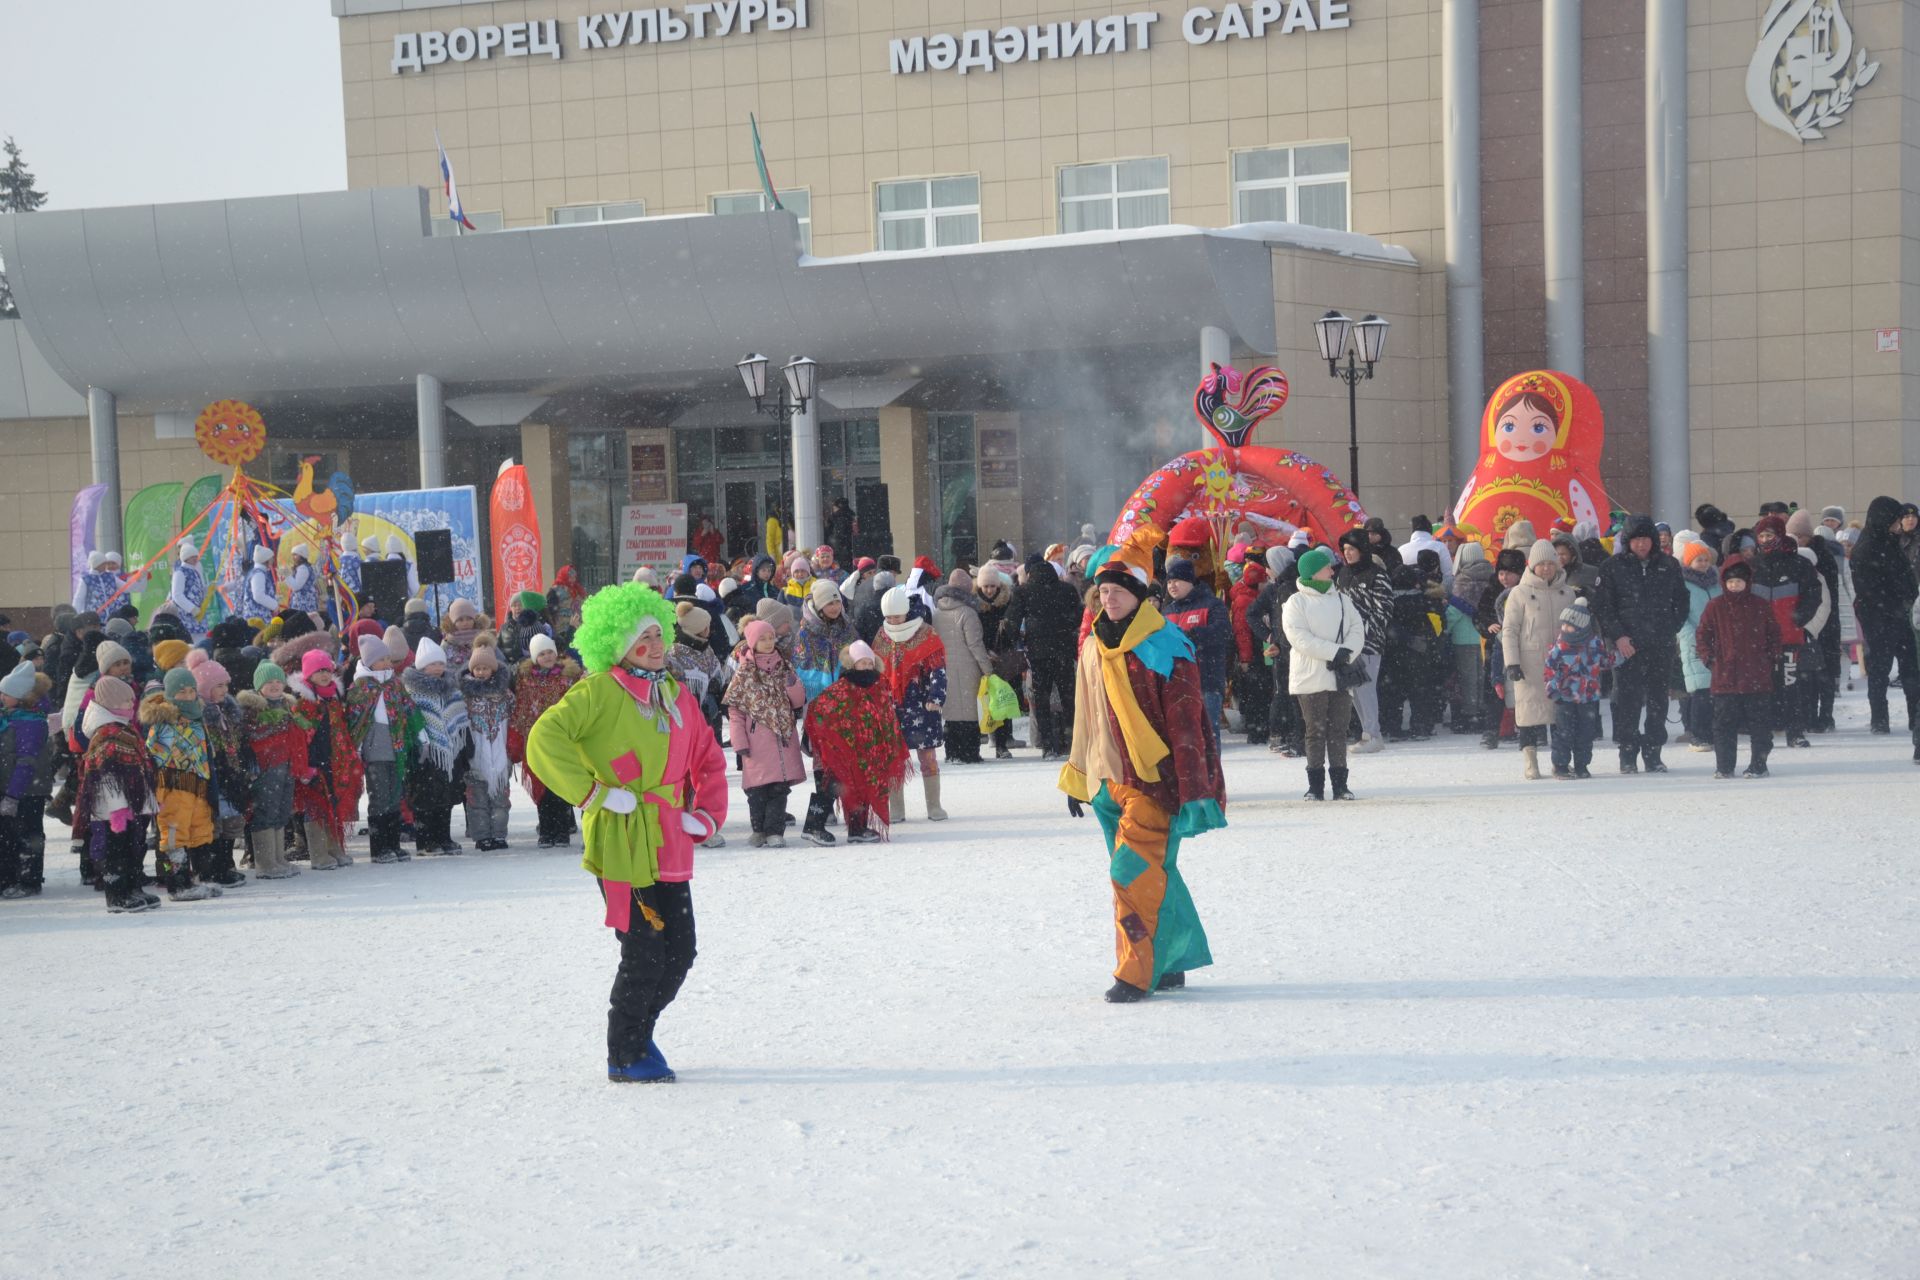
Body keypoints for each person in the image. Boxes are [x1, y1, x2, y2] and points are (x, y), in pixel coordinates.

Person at [524, 581, 728, 1085]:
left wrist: (705, 815)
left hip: (670, 837)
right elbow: (543, 738)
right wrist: (591, 794)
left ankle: (641, 1031)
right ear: (619, 646)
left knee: (680, 950)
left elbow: (709, 758)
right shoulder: (598, 690)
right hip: (621, 838)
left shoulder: (675, 694)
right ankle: (625, 1051)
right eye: (643, 639)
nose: (656, 645)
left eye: (659, 634)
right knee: (643, 948)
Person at [1059, 535, 1226, 1003]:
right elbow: (1085, 712)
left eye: (1116, 591)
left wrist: (1194, 788)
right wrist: (1078, 775)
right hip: (1106, 779)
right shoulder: (1093, 645)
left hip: (1154, 782)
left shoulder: (1166, 646)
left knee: (1130, 874)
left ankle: (1135, 972)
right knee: (1158, 874)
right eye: (1101, 592)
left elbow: (1188, 726)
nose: (1106, 599)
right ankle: (1171, 959)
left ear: (1139, 595)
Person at [1592, 514, 1689, 773]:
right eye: (1636, 540)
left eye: (1646, 539)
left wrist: (1670, 630)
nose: (1642, 545)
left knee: (1658, 700)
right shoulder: (1612, 567)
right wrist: (1619, 636)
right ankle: (1627, 753)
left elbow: (1681, 601)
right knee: (1627, 700)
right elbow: (1603, 607)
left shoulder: (1669, 565)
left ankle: (1653, 752)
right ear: (1627, 541)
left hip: (1660, 644)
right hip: (1626, 646)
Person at [801, 641, 906, 845]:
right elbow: (819, 708)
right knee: (834, 785)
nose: (866, 667)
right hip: (842, 750)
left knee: (864, 786)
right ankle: (813, 826)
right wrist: (831, 739)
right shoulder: (842, 687)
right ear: (852, 664)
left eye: (869, 662)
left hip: (868, 749)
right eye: (862, 662)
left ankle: (857, 828)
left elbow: (886, 715)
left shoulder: (878, 686)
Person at [1281, 546, 1365, 800]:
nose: (1332, 570)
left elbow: (1357, 628)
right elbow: (1299, 638)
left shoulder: (1341, 598)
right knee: (1315, 731)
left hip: (1340, 674)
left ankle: (1341, 785)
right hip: (1310, 677)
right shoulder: (1296, 602)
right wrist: (1334, 652)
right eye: (1326, 566)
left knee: (1339, 730)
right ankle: (1315, 786)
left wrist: (1346, 653)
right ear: (1314, 572)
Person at [139, 668, 227, 900]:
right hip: (173, 787)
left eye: (191, 691)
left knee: (201, 831)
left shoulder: (198, 717)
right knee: (173, 835)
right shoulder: (163, 721)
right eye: (181, 692)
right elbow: (152, 754)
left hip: (199, 785)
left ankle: (201, 877)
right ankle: (176, 883)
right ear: (170, 694)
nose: (188, 696)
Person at [76, 676, 159, 912]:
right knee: (117, 849)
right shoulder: (106, 733)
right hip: (116, 807)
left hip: (132, 802)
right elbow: (106, 774)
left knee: (135, 846)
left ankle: (133, 887)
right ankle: (117, 894)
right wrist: (118, 808)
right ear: (111, 702)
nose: (131, 704)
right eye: (126, 700)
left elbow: (139, 764)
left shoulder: (123, 728)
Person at [1694, 557, 1781, 778]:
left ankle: (1759, 764)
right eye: (1731, 582)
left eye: (1739, 582)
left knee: (1759, 725)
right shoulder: (1715, 606)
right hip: (1724, 677)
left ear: (1747, 582)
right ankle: (1724, 766)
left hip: (1757, 677)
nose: (1735, 586)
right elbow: (1703, 635)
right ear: (1724, 582)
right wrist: (1709, 659)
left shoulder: (1760, 606)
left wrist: (1770, 658)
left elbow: (1774, 635)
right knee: (1723, 725)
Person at [725, 619, 808, 847]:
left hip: (782, 738)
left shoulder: (784, 666)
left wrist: (792, 684)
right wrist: (739, 740)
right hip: (756, 741)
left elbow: (798, 701)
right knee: (757, 790)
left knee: (779, 789)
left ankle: (775, 832)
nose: (768, 642)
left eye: (771, 637)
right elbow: (735, 709)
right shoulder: (745, 673)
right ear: (752, 642)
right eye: (762, 638)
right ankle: (758, 829)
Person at [1502, 539, 1577, 780]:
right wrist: (1511, 662)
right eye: (1541, 564)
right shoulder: (1519, 593)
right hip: (1530, 663)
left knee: (1560, 716)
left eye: (1550, 563)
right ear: (1532, 566)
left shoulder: (1568, 593)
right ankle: (1530, 759)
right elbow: (1510, 629)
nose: (1546, 568)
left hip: (1561, 664)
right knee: (1527, 714)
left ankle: (1560, 760)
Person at [873, 583, 948, 822]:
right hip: (892, 707)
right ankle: (897, 808)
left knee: (927, 757)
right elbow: (876, 670)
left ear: (906, 611)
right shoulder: (882, 635)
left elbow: (938, 668)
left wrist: (936, 696)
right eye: (889, 617)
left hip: (922, 705)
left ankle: (934, 806)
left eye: (897, 616)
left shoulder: (926, 633)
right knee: (894, 759)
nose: (893, 621)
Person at [1748, 514, 1820, 750]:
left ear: (1780, 536)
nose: (1765, 540)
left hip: (1789, 637)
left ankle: (1795, 732)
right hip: (1758, 640)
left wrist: (1799, 618)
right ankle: (1764, 732)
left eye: (1770, 535)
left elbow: (1813, 594)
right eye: (1761, 536)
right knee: (1763, 688)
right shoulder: (1751, 566)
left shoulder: (1799, 564)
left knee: (1790, 686)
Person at [346, 631, 420, 864]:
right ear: (369, 662)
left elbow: (409, 709)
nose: (388, 663)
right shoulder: (360, 687)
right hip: (375, 749)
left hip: (395, 746)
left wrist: (419, 733)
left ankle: (393, 843)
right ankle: (379, 847)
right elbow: (355, 720)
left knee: (395, 795)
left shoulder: (394, 684)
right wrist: (357, 747)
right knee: (379, 796)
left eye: (388, 658)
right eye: (382, 659)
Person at [1850, 496, 1919, 738]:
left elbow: (1907, 579)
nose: (1899, 524)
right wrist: (1895, 600)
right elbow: (1868, 588)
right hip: (1879, 618)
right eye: (1896, 519)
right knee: (1880, 670)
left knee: (1910, 668)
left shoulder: (1891, 543)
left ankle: (1915, 718)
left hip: (1900, 616)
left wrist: (1906, 597)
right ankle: (1879, 719)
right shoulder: (1867, 547)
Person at [509, 632, 584, 849]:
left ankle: (562, 831)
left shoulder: (568, 677)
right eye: (542, 654)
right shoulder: (526, 680)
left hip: (562, 739)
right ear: (534, 657)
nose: (547, 656)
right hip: (536, 741)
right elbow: (522, 708)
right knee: (542, 789)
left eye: (550, 652)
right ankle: (546, 830)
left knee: (559, 787)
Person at [1005, 552, 1082, 760]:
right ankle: (1072, 738)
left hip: (1038, 652)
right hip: (1064, 650)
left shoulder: (1023, 592)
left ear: (1029, 573)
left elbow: (1012, 621)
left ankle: (1047, 744)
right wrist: (1064, 628)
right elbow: (1079, 616)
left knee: (1041, 699)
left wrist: (1015, 641)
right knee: (1069, 697)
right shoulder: (1067, 590)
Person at [236, 662, 308, 879]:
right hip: (265, 768)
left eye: (278, 681)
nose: (275, 686)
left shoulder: (286, 707)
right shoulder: (252, 710)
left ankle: (278, 858)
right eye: (269, 682)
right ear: (259, 686)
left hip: (285, 766)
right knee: (265, 811)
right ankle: (265, 863)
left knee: (282, 810)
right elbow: (250, 738)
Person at [402, 637, 469, 856]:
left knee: (446, 797)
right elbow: (410, 721)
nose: (437, 668)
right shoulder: (413, 691)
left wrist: (465, 746)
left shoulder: (451, 688)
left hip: (449, 753)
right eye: (432, 664)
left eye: (440, 663)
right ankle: (426, 842)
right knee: (424, 798)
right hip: (423, 754)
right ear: (421, 666)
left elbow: (459, 717)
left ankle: (444, 837)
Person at [1541, 596, 1615, 779]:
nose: (1564, 629)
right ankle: (1560, 765)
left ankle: (1582, 765)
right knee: (1563, 733)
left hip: (1588, 698)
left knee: (1586, 733)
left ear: (1582, 627)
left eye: (1569, 626)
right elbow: (1549, 670)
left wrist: (1620, 656)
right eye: (1563, 625)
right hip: (1564, 697)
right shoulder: (1558, 648)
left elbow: (1604, 661)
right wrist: (1552, 689)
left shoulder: (1594, 645)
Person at [1160, 557, 1232, 746]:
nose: (1172, 586)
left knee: (1208, 732)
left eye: (1176, 580)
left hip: (1206, 680)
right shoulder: (1167, 611)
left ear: (1189, 581)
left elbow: (1223, 632)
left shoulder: (1212, 605)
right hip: (1177, 683)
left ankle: (1212, 773)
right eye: (1168, 582)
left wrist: (1191, 636)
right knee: (1182, 735)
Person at [0, 661, 55, 898]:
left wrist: (13, 795)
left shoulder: (29, 722)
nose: (1, 697)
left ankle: (29, 879)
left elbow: (25, 763)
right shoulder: (12, 716)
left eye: (6, 694)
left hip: (27, 790)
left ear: (21, 697)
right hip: (14, 787)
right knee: (12, 834)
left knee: (28, 834)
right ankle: (12, 877)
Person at [930, 569, 995, 766]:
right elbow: (975, 645)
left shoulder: (936, 613)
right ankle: (969, 752)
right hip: (968, 669)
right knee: (969, 713)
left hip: (944, 668)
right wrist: (988, 669)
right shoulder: (968, 613)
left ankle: (952, 752)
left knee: (951, 714)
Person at [1336, 530, 1393, 752]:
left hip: (1369, 642)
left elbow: (1383, 610)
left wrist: (1363, 634)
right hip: (1346, 642)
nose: (1347, 554)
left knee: (1366, 688)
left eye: (1351, 549)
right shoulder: (1343, 573)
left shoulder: (1377, 575)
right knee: (1354, 689)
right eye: (1345, 550)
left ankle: (1373, 734)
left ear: (1362, 550)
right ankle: (1366, 732)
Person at [460, 637, 515, 851]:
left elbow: (515, 719)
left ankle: (499, 834)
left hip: (501, 752)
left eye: (485, 668)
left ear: (493, 669)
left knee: (501, 798)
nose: (481, 672)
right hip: (476, 756)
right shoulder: (466, 696)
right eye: (478, 668)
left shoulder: (505, 695)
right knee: (477, 799)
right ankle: (482, 835)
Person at [1676, 541, 1720, 751]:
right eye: (1698, 560)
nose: (1703, 564)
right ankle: (1698, 734)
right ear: (1689, 562)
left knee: (1716, 690)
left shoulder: (1716, 583)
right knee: (1700, 691)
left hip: (1718, 644)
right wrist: (1693, 637)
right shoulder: (1683, 585)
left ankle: (1712, 732)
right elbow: (1680, 617)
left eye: (1705, 560)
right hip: (1694, 643)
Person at [245, 545, 280, 619]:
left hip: (258, 615)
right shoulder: (258, 574)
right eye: (271, 558)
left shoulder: (259, 572)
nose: (273, 560)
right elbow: (258, 595)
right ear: (265, 560)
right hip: (258, 617)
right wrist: (274, 605)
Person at [826, 498, 855, 569]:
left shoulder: (838, 518)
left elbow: (838, 534)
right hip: (849, 548)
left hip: (840, 549)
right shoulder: (849, 516)